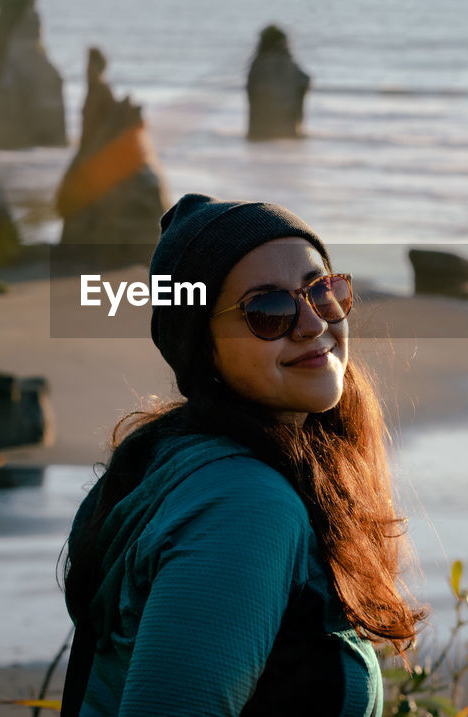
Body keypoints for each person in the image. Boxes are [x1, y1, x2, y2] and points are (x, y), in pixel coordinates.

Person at [61, 193, 426, 716]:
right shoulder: (245, 508)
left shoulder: (180, 460)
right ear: (202, 345)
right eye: (267, 310)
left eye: (322, 291)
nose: (312, 323)